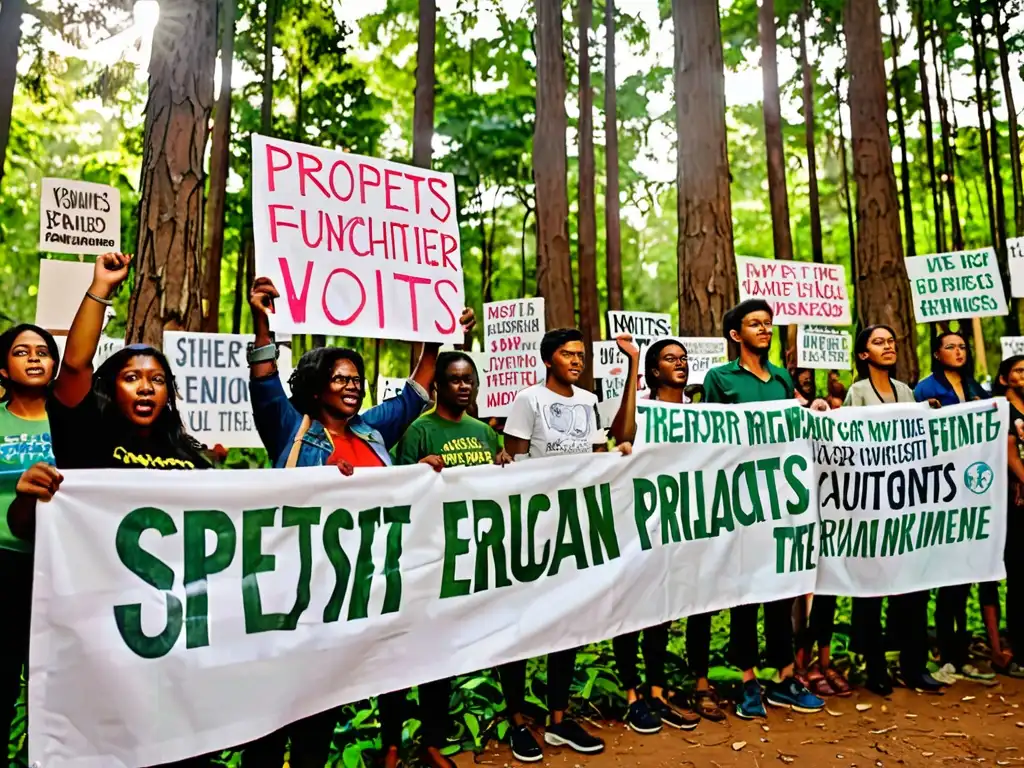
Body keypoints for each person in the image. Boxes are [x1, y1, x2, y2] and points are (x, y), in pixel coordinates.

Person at [242, 276, 474, 768]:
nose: (351, 387)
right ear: (315, 385)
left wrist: (436, 330)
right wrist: (263, 319)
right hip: (300, 591)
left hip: (363, 589)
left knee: (323, 703)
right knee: (281, 702)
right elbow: (264, 380)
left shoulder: (373, 429)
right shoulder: (290, 427)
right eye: (339, 379)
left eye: (355, 380)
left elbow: (416, 390)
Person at [8, 254, 214, 768]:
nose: (145, 386)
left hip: (172, 632)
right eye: (131, 378)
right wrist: (100, 287)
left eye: (156, 379)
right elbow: (74, 365)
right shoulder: (88, 439)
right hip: (98, 627)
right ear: (110, 389)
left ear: (168, 395)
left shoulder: (190, 456)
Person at [498, 328, 632, 762]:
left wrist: (617, 455)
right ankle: (518, 720)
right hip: (535, 529)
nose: (576, 361)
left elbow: (597, 458)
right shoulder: (528, 400)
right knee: (522, 624)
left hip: (576, 530)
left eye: (580, 355)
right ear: (548, 359)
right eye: (566, 354)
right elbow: (514, 464)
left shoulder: (588, 401)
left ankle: (558, 719)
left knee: (566, 624)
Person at [380, 351, 511, 768]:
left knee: (440, 655)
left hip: (465, 562)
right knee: (402, 658)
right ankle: (391, 746)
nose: (464, 386)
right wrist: (418, 469)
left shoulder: (485, 433)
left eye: (469, 378)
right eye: (454, 379)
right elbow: (395, 490)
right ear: (437, 386)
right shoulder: (419, 430)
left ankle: (433, 741)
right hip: (423, 559)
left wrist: (504, 465)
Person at [701, 299, 825, 719]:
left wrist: (815, 410)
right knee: (745, 593)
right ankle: (748, 681)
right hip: (742, 502)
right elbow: (706, 436)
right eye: (755, 324)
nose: (765, 329)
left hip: (781, 502)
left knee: (782, 589)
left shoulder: (781, 377)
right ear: (736, 334)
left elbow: (795, 422)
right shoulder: (719, 378)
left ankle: (784, 676)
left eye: (768, 324)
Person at [611, 338, 704, 732]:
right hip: (637, 523)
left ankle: (657, 690)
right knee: (634, 606)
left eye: (683, 359)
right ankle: (632, 694)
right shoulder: (643, 407)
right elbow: (622, 433)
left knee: (661, 612)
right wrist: (632, 364)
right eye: (670, 359)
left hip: (679, 525)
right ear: (653, 371)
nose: (679, 364)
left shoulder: (701, 414)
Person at [845, 325, 943, 695]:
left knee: (912, 588)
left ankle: (913, 664)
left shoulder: (906, 392)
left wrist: (927, 414)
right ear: (863, 354)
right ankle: (875, 667)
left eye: (891, 342)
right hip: (871, 507)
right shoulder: (857, 392)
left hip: (905, 505)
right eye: (878, 342)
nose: (888, 347)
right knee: (873, 588)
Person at [914, 331, 994, 684]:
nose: (958, 352)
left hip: (972, 491)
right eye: (950, 347)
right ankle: (945, 654)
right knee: (944, 575)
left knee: (964, 577)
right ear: (937, 353)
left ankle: (961, 656)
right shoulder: (926, 389)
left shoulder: (977, 389)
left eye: (962, 346)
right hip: (940, 491)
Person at [0, 323, 59, 752]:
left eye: (43, 351)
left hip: (63, 570)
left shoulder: (78, 423)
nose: (35, 357)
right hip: (4, 564)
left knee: (56, 689)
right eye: (22, 351)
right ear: (3, 369)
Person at [984, 356, 1024, 678]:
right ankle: (1018, 646)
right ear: (1003, 378)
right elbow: (1010, 456)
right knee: (1018, 574)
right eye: (1019, 370)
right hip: (1014, 503)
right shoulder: (1003, 412)